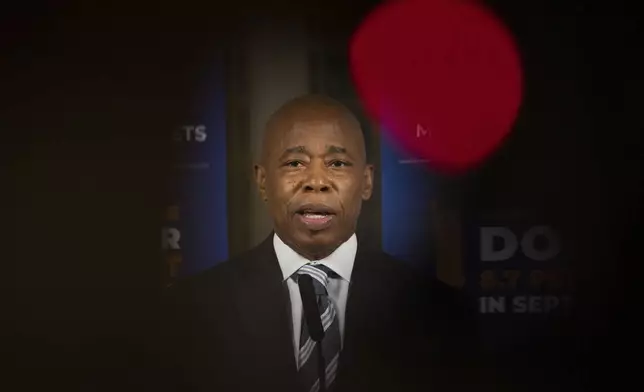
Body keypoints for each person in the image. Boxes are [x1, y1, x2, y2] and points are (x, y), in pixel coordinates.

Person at [155, 94, 482, 392]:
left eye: (337, 164)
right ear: (263, 181)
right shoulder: (190, 313)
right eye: (294, 163)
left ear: (366, 182)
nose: (316, 182)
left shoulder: (440, 313)